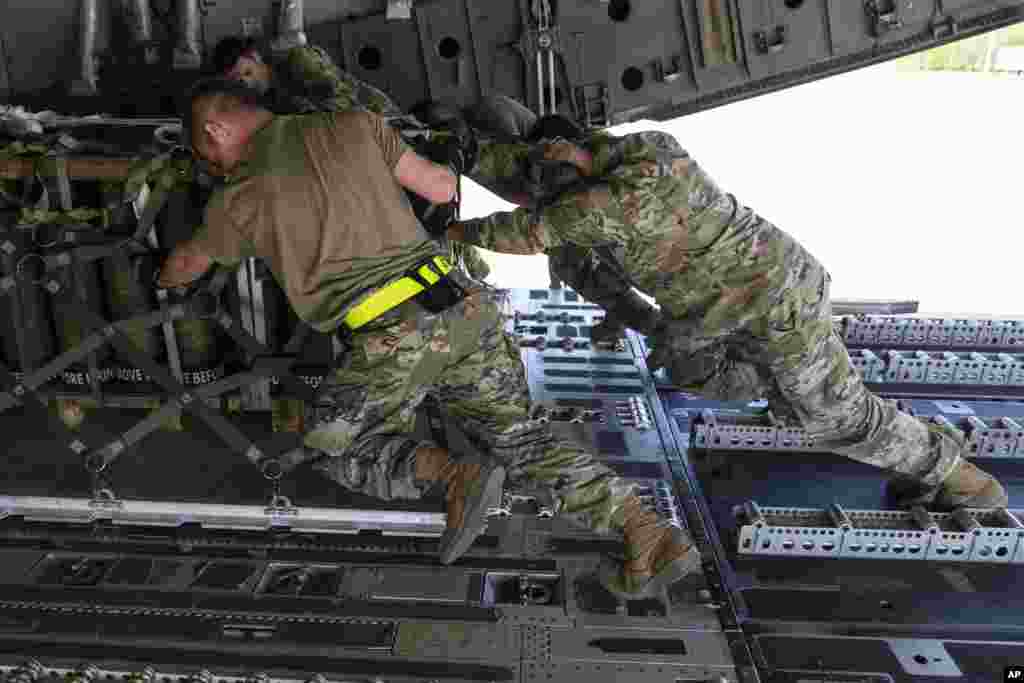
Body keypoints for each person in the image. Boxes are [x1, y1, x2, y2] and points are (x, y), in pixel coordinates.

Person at [155, 78, 700, 599]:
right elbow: (442, 186)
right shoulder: (355, 124)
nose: (216, 169)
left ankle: (453, 474)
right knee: (520, 438)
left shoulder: (240, 196)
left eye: (209, 160)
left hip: (394, 334)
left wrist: (162, 274)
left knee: (331, 442)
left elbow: (186, 264)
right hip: (463, 306)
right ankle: (647, 531)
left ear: (215, 131)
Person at [446, 120, 1009, 512]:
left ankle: (965, 480)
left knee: (837, 418)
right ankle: (877, 430)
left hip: (774, 305)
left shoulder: (611, 203)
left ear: (570, 166)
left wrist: (446, 232)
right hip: (735, 304)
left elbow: (525, 233)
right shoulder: (644, 147)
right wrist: (461, 151)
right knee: (722, 377)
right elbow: (587, 261)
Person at [211, 36, 491, 282]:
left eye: (246, 71)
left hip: (384, 139)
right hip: (363, 168)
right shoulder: (264, 106)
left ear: (257, 58)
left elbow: (339, 102)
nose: (245, 82)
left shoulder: (298, 64)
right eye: (237, 81)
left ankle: (472, 265)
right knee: (422, 228)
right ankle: (468, 267)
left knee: (430, 211)